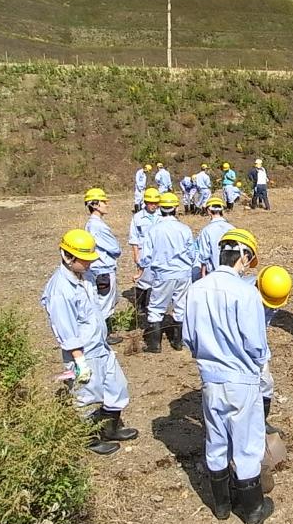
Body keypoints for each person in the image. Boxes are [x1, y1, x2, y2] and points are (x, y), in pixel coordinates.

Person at [182, 228, 274, 524]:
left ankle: (220, 506)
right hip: (241, 379)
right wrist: (258, 365)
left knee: (216, 439)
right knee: (247, 445)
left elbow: (188, 339)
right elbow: (256, 345)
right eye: (249, 260)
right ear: (243, 256)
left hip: (210, 378)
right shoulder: (245, 292)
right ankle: (253, 510)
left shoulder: (195, 289)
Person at [42, 229, 138, 456]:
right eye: (84, 259)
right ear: (68, 257)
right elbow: (65, 330)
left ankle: (110, 428)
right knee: (85, 397)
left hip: (100, 346)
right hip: (83, 353)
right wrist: (79, 362)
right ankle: (89, 439)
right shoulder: (60, 290)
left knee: (117, 386)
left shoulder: (83, 277)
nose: (88, 263)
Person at [136, 192, 196, 353]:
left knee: (156, 307)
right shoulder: (185, 229)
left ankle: (154, 345)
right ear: (176, 207)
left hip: (163, 274)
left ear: (160, 208)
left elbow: (146, 256)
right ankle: (178, 342)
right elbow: (192, 253)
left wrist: (141, 267)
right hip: (183, 274)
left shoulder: (154, 230)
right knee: (181, 306)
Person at [252, 265, 293, 436]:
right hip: (241, 347)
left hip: (258, 343)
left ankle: (261, 423)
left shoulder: (272, 292)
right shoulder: (244, 299)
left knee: (266, 383)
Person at [84, 188, 122, 345]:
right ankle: (103, 336)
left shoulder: (92, 225)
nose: (107, 204)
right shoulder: (98, 226)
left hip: (97, 269)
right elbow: (115, 248)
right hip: (104, 270)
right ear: (95, 205)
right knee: (104, 304)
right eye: (104, 202)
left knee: (101, 301)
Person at [129, 187, 161, 320]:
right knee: (143, 280)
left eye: (155, 203)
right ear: (145, 202)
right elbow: (134, 238)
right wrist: (136, 254)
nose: (153, 206)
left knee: (158, 279)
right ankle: (140, 306)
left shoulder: (162, 216)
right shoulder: (137, 217)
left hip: (159, 251)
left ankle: (154, 304)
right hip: (144, 251)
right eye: (150, 203)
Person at [197, 196, 235, 278]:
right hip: (232, 272)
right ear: (222, 210)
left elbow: (204, 255)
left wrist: (203, 274)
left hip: (214, 273)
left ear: (208, 211)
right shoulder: (232, 228)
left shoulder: (206, 231)